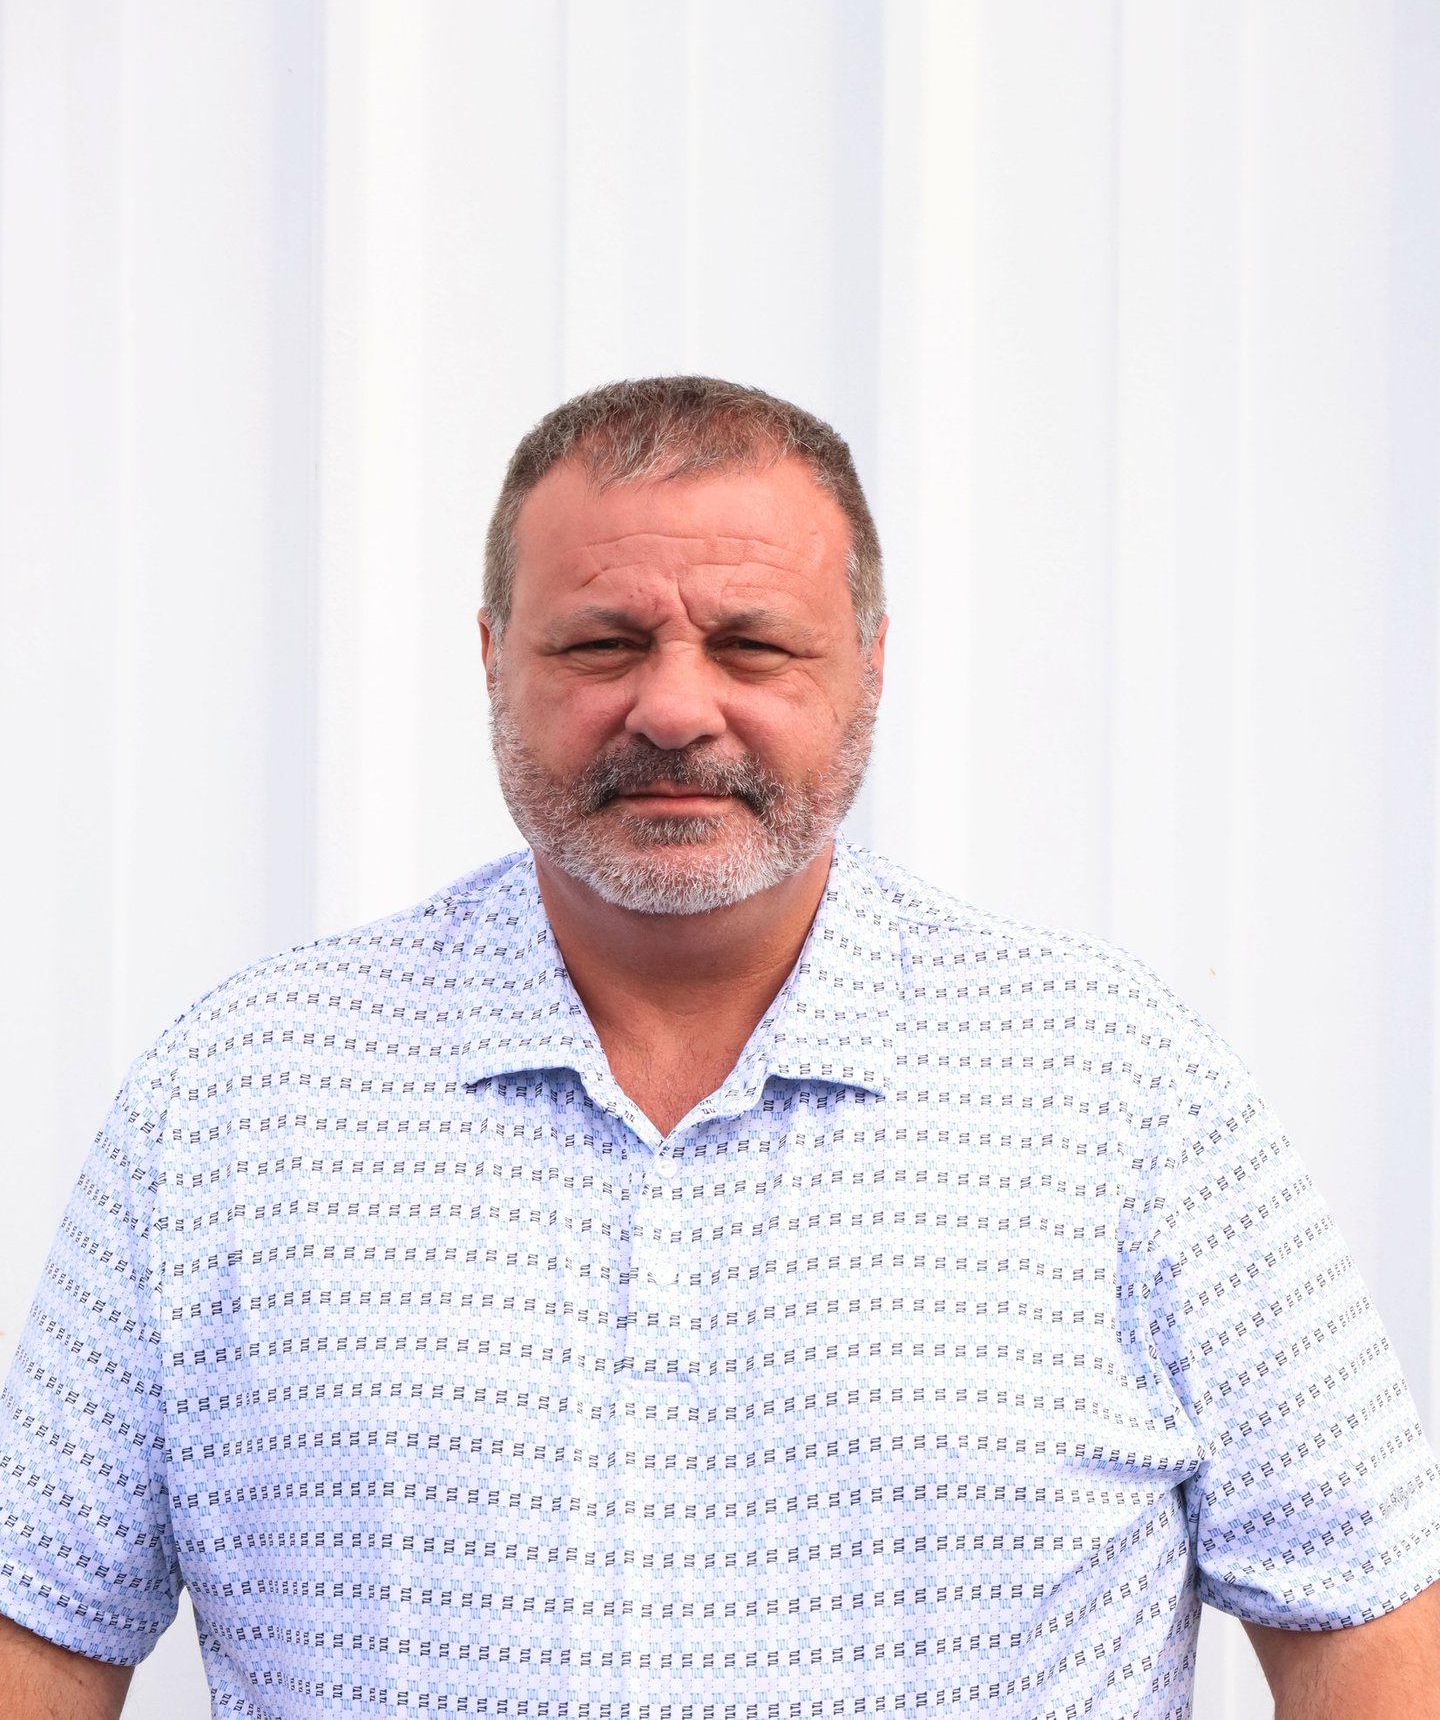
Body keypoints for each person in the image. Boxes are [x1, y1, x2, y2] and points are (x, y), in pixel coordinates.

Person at [1, 376, 1438, 1719]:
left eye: (752, 644)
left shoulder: (1126, 1090)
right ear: (494, 657)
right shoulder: (231, 1098)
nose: (677, 708)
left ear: (869, 666)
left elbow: (1373, 1628)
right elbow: (38, 1635)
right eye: (601, 644)